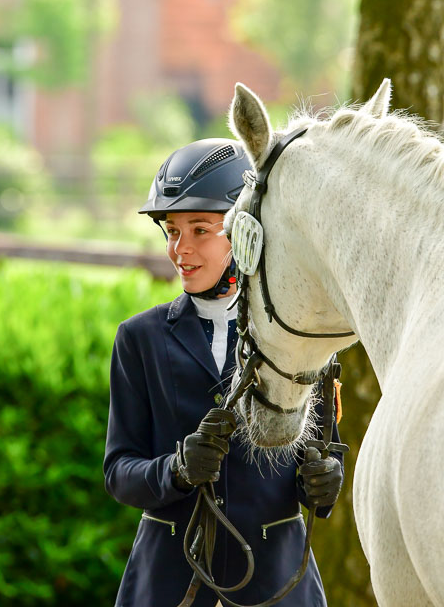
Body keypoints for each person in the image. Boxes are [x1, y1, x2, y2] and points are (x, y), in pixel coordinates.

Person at [103, 138, 344, 607]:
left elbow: (319, 459)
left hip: (277, 583)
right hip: (168, 583)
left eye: (200, 230)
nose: (180, 250)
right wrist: (173, 469)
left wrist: (325, 481)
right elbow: (119, 471)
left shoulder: (301, 338)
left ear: (244, 233)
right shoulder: (138, 339)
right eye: (172, 231)